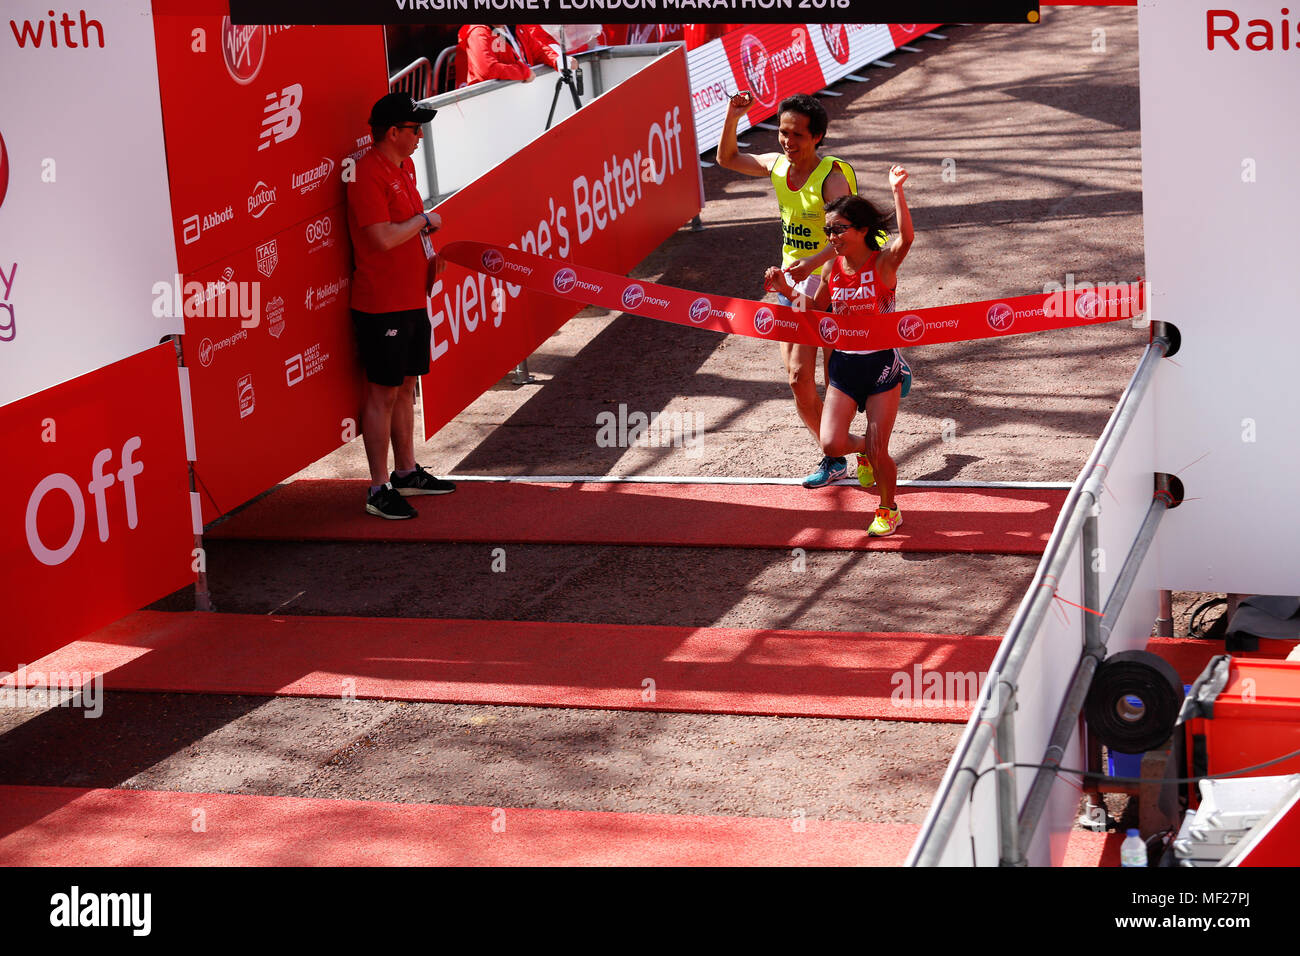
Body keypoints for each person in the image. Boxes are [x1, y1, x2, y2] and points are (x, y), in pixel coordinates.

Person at [717, 91, 861, 489]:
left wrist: (817, 276)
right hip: (790, 283)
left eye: (797, 134)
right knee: (799, 379)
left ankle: (887, 372)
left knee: (837, 379)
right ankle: (837, 455)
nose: (787, 141)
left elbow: (846, 240)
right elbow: (727, 159)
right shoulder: (778, 167)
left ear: (817, 137)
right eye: (782, 132)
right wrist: (733, 115)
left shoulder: (832, 179)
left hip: (834, 283)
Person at [764, 167, 914, 537]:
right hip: (845, 367)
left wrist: (897, 191)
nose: (831, 236)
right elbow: (814, 312)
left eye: (838, 229)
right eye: (828, 230)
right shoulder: (833, 268)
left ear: (862, 230)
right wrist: (784, 286)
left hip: (881, 368)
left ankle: (888, 508)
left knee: (882, 452)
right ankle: (865, 449)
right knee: (832, 442)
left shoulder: (882, 264)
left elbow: (906, 239)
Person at [346, 92, 457, 519]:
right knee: (383, 393)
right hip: (381, 303)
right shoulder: (366, 173)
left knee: (407, 387)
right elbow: (382, 238)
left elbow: (407, 232)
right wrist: (424, 221)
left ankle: (406, 472)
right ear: (393, 133)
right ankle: (377, 487)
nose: (419, 136)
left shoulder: (402, 167)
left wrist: (430, 254)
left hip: (411, 295)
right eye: (414, 130)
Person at [457, 24, 534, 86]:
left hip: (515, 94)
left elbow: (538, 51)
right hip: (489, 99)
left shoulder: (514, 26)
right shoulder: (478, 32)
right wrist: (524, 72)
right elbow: (488, 70)